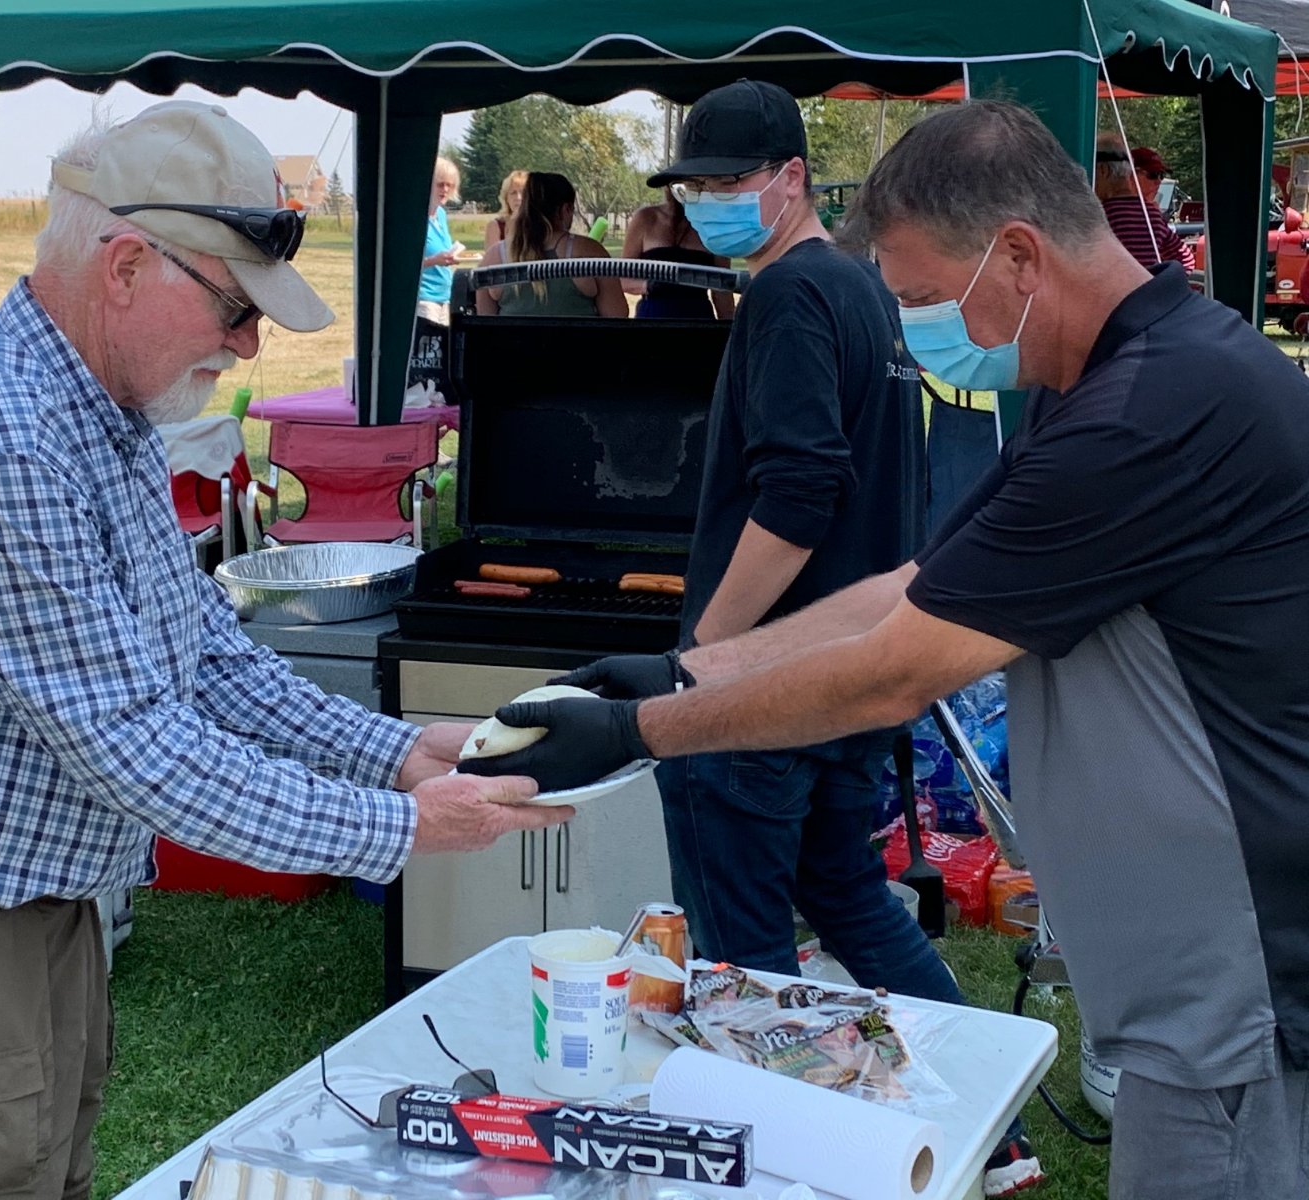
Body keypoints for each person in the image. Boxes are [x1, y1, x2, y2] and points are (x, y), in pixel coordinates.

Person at [466, 98, 1309, 1200]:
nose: (910, 326)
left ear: (1018, 255)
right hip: (1191, 983)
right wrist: (685, 670)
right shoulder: (1102, 385)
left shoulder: (1151, 412)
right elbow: (910, 587)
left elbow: (898, 668)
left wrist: (640, 731)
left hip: (1240, 989)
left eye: (917, 298)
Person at [0, 101, 569, 1200]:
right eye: (236, 307)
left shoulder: (100, 408)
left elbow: (204, 653)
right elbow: (135, 746)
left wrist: (397, 751)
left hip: (17, 896)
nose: (247, 344)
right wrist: (400, 827)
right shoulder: (3, 440)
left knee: (33, 1173)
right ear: (128, 265)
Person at [468, 81, 1043, 1198]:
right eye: (696, 187)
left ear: (791, 178)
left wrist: (697, 666)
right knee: (850, 899)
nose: (710, 204)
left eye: (732, 182)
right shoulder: (870, 290)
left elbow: (798, 496)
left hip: (763, 694)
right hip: (844, 681)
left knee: (743, 958)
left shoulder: (786, 295)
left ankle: (775, 1163)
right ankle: (993, 1129)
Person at [475, 172, 627, 317]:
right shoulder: (589, 252)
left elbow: (484, 322)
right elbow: (618, 315)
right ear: (566, 209)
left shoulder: (495, 257)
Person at [620, 189, 735, 319]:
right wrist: (650, 285)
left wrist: (729, 325)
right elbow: (623, 280)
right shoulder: (646, 218)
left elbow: (722, 291)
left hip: (698, 318)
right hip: (652, 317)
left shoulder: (714, 225)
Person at [1095, 132, 1194, 271]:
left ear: (1102, 170)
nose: (1159, 181)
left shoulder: (1100, 215)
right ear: (1130, 172)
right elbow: (1186, 260)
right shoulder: (1153, 215)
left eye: (1161, 175)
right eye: (1153, 175)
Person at [418, 155, 461, 324]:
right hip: (424, 298)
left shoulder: (441, 215)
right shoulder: (417, 218)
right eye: (440, 184)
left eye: (449, 185)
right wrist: (434, 260)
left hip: (445, 297)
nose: (445, 190)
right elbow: (404, 264)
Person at [483, 169, 527, 255]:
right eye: (513, 193)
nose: (518, 197)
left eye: (523, 192)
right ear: (506, 198)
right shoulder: (496, 226)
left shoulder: (542, 225)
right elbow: (493, 258)